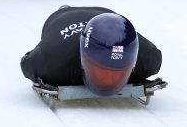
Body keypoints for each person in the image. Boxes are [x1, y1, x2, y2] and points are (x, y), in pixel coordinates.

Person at [20, 6, 162, 97]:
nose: (108, 83)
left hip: (107, 15)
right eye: (100, 72)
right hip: (62, 17)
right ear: (82, 57)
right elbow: (26, 62)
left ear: (134, 63)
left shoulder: (149, 57)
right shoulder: (50, 59)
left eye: (119, 73)